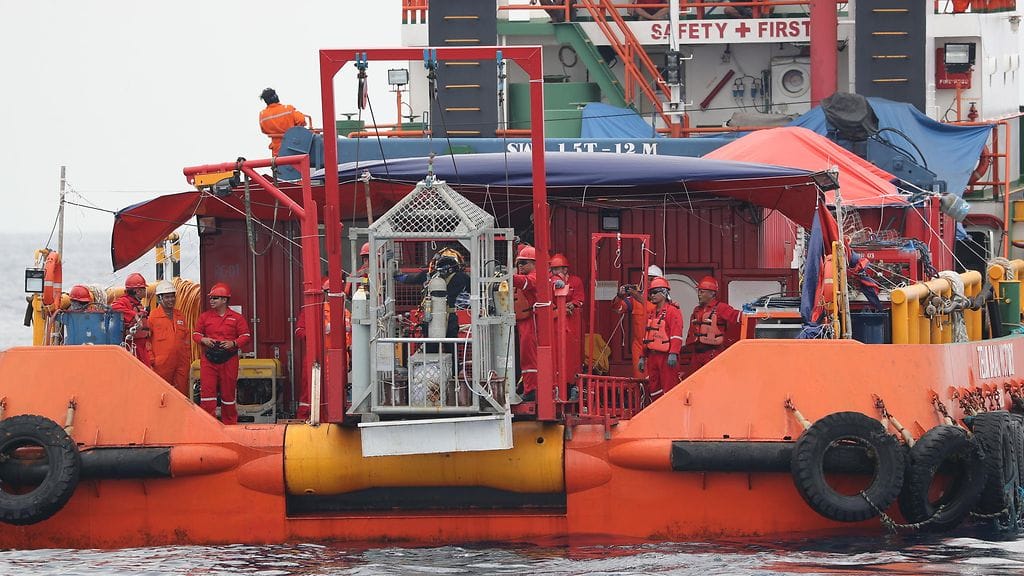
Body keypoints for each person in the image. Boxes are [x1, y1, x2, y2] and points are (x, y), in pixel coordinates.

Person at [192, 282, 252, 424]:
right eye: (211, 298)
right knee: (207, 394)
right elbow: (195, 334)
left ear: (224, 300)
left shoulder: (237, 318)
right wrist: (203, 339)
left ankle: (230, 424)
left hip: (229, 360)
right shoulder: (204, 317)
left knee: (228, 395)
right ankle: (207, 424)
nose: (211, 301)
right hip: (209, 360)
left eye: (215, 298)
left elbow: (246, 336)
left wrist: (234, 343)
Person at [294, 278, 352, 420]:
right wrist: (318, 332)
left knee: (337, 393)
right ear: (325, 293)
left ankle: (333, 418)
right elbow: (299, 331)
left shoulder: (346, 313)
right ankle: (303, 418)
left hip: (340, 360)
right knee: (310, 392)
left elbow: (350, 337)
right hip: (318, 357)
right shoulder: (315, 311)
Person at [394, 247, 471, 344]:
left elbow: (406, 278)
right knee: (451, 347)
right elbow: (476, 293)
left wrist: (393, 271)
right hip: (451, 317)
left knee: (431, 347)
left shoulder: (429, 275)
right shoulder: (463, 277)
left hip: (430, 316)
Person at [612, 264, 664, 379]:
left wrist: (637, 296)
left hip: (658, 349)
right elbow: (617, 308)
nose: (650, 282)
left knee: (657, 381)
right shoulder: (634, 299)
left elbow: (653, 308)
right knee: (640, 381)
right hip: (640, 348)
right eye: (648, 279)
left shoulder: (665, 301)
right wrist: (619, 296)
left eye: (653, 279)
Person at [639, 276, 684, 401]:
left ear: (664, 293)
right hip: (653, 356)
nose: (651, 296)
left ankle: (670, 415)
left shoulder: (672, 311)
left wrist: (673, 353)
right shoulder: (652, 313)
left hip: (666, 357)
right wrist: (642, 356)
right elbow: (647, 336)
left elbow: (676, 334)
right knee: (654, 388)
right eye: (650, 293)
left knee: (669, 388)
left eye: (654, 292)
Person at [683, 276, 741, 372]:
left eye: (702, 292)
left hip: (713, 354)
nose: (699, 295)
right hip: (696, 355)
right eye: (699, 292)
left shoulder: (721, 308)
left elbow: (738, 317)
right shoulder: (697, 310)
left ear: (712, 293)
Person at [149, 280, 191, 397]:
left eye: (172, 297)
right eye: (167, 297)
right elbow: (147, 340)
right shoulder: (153, 317)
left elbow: (186, 339)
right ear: (159, 299)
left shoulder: (180, 315)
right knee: (161, 393)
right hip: (161, 364)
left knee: (182, 394)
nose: (171, 300)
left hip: (181, 363)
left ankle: (181, 415)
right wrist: (152, 359)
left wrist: (187, 358)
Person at [550, 253, 584, 377]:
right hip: (555, 320)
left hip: (572, 321)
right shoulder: (551, 281)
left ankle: (573, 382)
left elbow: (579, 299)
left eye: (557, 269)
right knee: (556, 352)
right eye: (553, 269)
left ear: (565, 269)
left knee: (572, 353)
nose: (554, 272)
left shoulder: (575, 281)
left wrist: (571, 305)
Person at [110, 273, 154, 367]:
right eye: (143, 289)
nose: (145, 291)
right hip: (132, 345)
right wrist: (134, 315)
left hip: (142, 345)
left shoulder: (137, 303)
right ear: (137, 291)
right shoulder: (124, 301)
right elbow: (114, 307)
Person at [513, 245, 539, 402]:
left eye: (524, 263)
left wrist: (507, 277)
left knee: (529, 357)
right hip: (524, 321)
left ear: (534, 263)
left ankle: (532, 390)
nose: (520, 266)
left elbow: (526, 283)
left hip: (533, 321)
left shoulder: (536, 276)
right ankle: (527, 387)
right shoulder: (524, 275)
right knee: (524, 357)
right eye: (519, 263)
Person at [258, 88, 306, 157]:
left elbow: (264, 130)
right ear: (275, 96)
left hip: (277, 153)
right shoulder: (288, 109)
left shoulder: (263, 115)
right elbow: (301, 120)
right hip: (294, 148)